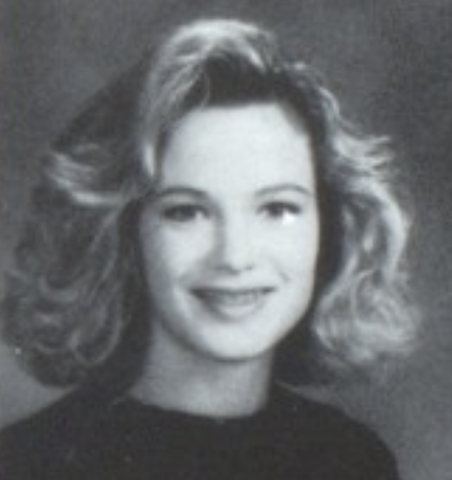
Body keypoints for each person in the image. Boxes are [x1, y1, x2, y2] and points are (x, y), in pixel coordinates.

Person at [0, 18, 417, 480]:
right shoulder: (28, 464)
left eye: (277, 208)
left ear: (331, 226)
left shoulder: (354, 462)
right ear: (124, 230)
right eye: (187, 212)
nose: (234, 256)